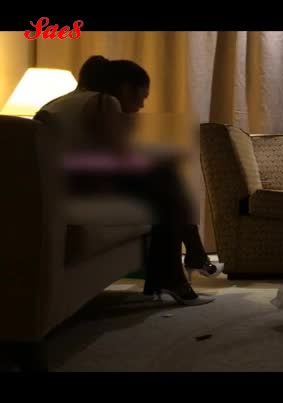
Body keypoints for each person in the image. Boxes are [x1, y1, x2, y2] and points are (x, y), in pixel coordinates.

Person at [37, 55, 222, 306]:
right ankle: (185, 265)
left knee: (166, 183)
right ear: (125, 88)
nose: (141, 105)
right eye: (141, 97)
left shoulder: (55, 103)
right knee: (167, 184)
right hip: (86, 186)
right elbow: (119, 156)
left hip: (61, 186)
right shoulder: (104, 101)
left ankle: (187, 262)